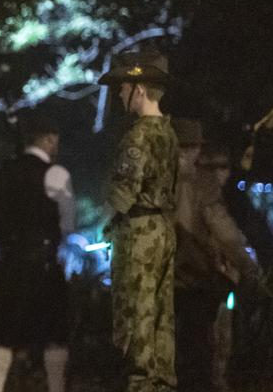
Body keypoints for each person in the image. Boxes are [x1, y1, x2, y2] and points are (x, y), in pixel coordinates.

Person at [97, 49, 179, 392]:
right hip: (163, 228)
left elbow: (122, 195)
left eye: (123, 87)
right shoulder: (170, 133)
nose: (118, 94)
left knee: (135, 315)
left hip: (138, 233)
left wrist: (106, 222)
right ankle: (160, 382)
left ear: (139, 89)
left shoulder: (138, 136)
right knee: (161, 317)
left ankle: (141, 383)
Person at [0, 114, 75, 392]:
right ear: (49, 139)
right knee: (54, 334)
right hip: (43, 264)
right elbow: (68, 225)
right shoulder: (57, 175)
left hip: (8, 260)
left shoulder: (0, 170)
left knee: (3, 333)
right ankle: (55, 388)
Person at [171, 120, 258, 392]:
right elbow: (225, 233)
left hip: (155, 282)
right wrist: (248, 266)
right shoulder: (201, 183)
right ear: (195, 148)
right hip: (193, 279)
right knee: (198, 353)